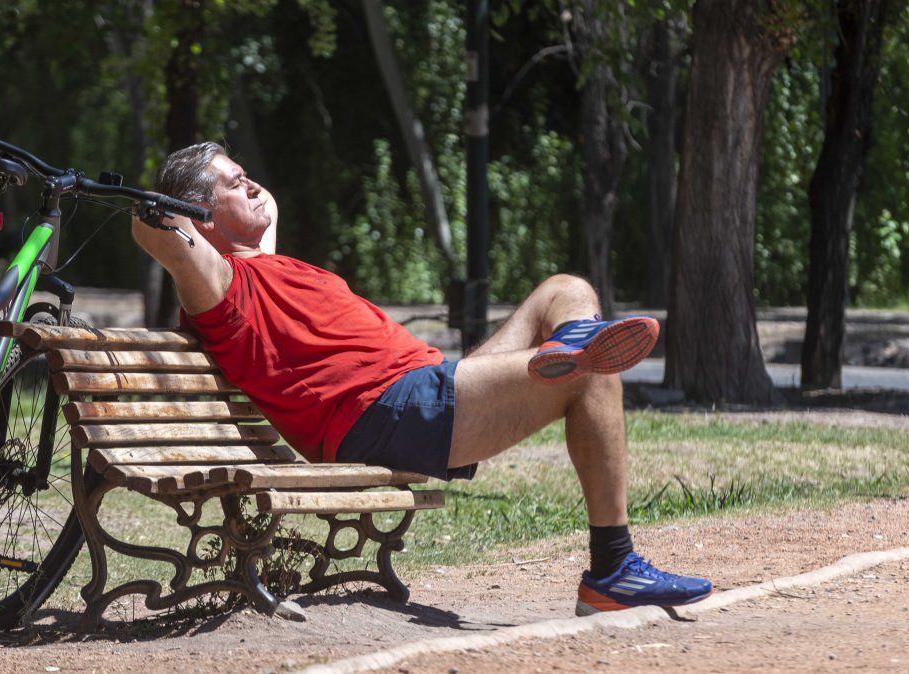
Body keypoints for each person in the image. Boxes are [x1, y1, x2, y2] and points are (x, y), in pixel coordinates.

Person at [132, 142, 712, 616]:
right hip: (383, 411)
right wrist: (157, 209)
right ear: (199, 219)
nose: (254, 186)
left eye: (249, 175)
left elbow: (267, 210)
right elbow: (164, 237)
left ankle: (568, 347)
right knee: (590, 376)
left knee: (568, 290)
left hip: (425, 384)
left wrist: (236, 189)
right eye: (235, 183)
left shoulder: (267, 262)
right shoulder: (222, 289)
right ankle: (613, 567)